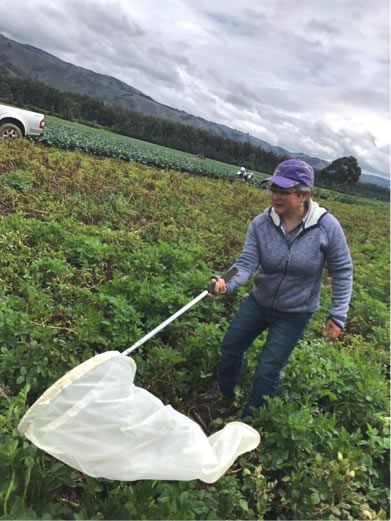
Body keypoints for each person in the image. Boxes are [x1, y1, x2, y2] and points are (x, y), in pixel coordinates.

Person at [207, 159, 353, 418]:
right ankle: (224, 393)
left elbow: (342, 271)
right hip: (258, 302)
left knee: (268, 369)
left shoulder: (327, 227)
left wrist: (337, 314)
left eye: (283, 192)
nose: (275, 196)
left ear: (304, 195)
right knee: (231, 346)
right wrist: (225, 283)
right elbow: (246, 262)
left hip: (295, 313)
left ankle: (250, 418)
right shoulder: (261, 223)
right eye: (273, 189)